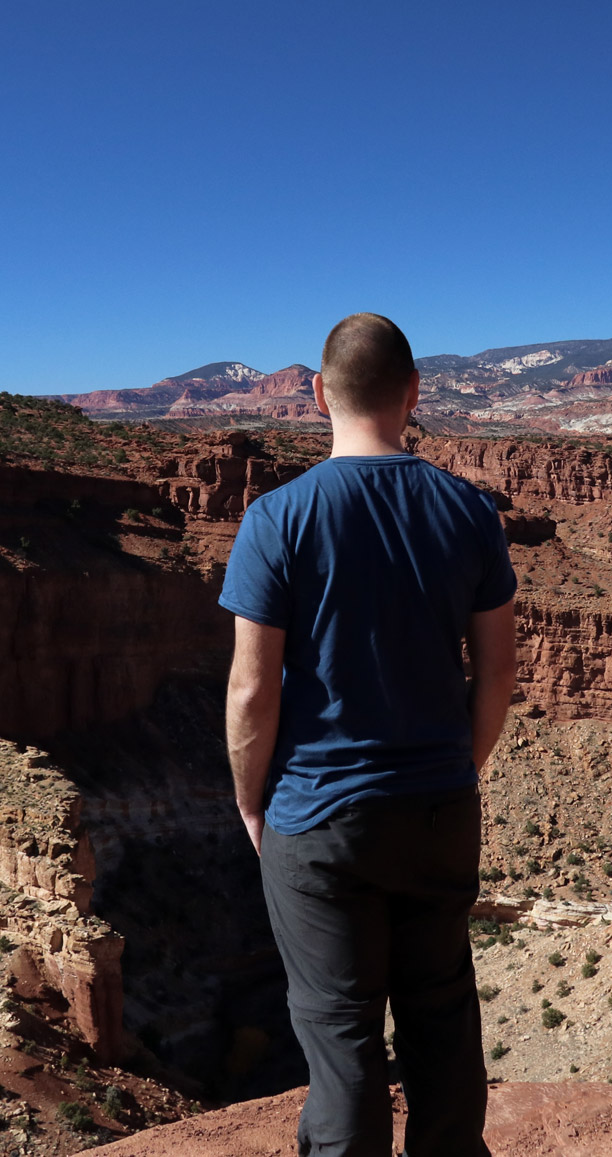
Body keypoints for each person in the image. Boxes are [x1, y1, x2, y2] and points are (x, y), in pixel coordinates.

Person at [220, 312, 517, 1157]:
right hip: (439, 808)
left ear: (317, 393)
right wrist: (461, 766)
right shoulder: (470, 511)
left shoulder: (277, 519)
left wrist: (252, 801)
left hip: (318, 818)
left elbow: (251, 691)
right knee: (442, 1019)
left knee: (342, 1038)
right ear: (414, 394)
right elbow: (497, 673)